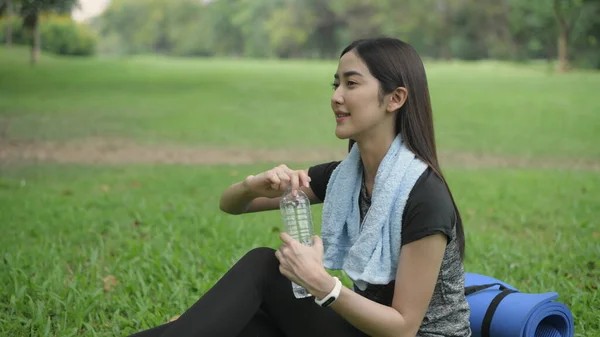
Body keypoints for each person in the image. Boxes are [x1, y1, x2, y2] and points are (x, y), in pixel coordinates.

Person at [127, 37, 472, 337]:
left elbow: (403, 328)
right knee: (251, 325)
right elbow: (233, 205)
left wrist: (322, 284)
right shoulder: (345, 178)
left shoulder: (423, 195)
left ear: (394, 98)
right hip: (365, 330)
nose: (336, 96)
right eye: (335, 84)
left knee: (264, 267)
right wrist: (252, 185)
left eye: (351, 84)